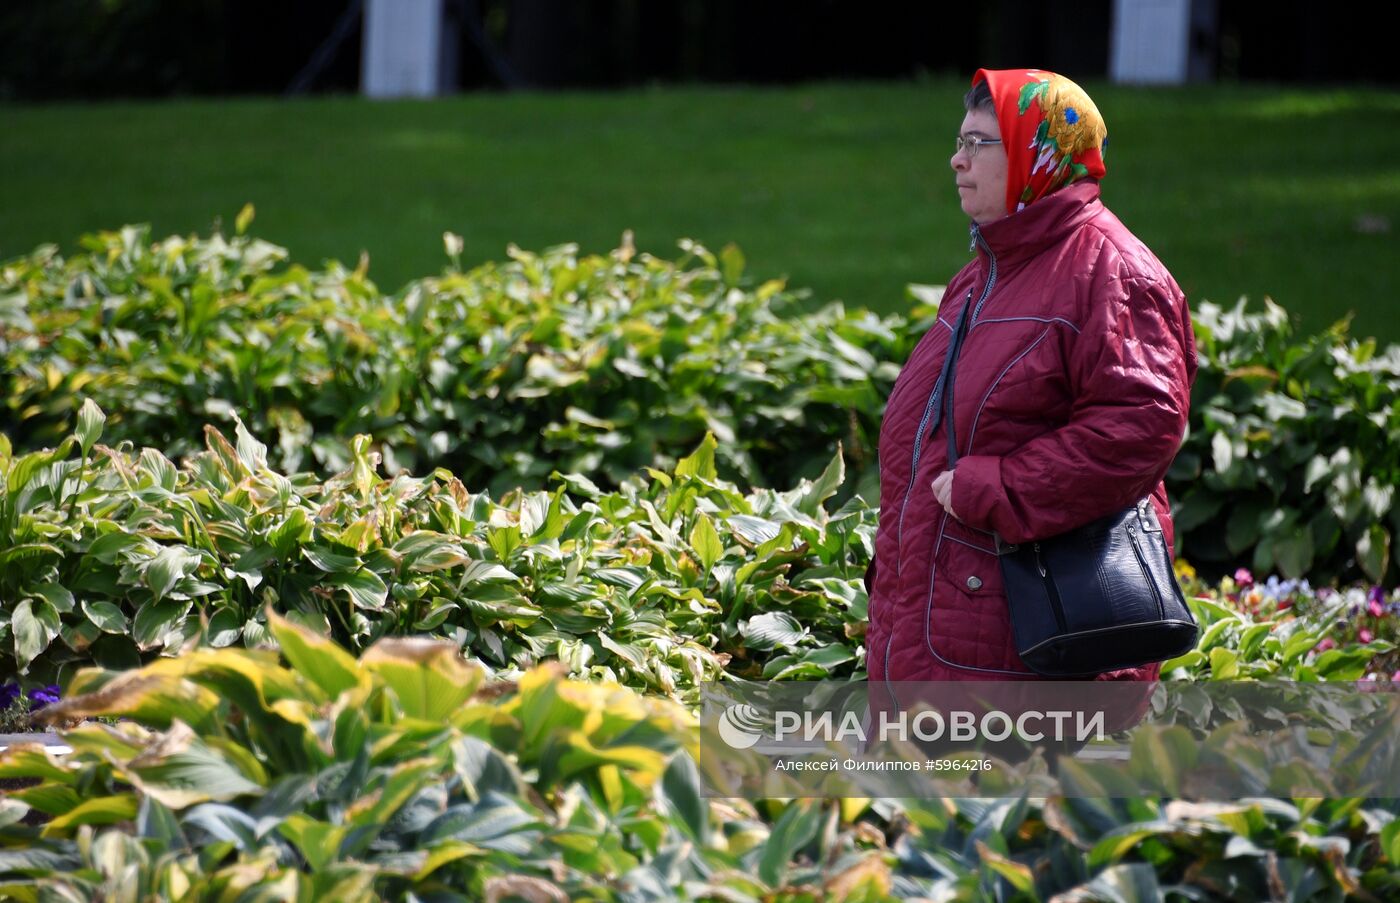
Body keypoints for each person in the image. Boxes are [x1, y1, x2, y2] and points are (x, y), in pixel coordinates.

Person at [864, 68, 1197, 692]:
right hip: (947, 637)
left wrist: (1001, 488)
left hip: (1030, 654)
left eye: (977, 143)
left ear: (1036, 151)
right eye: (958, 143)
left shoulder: (1112, 272)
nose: (956, 161)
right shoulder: (985, 275)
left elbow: (1139, 427)